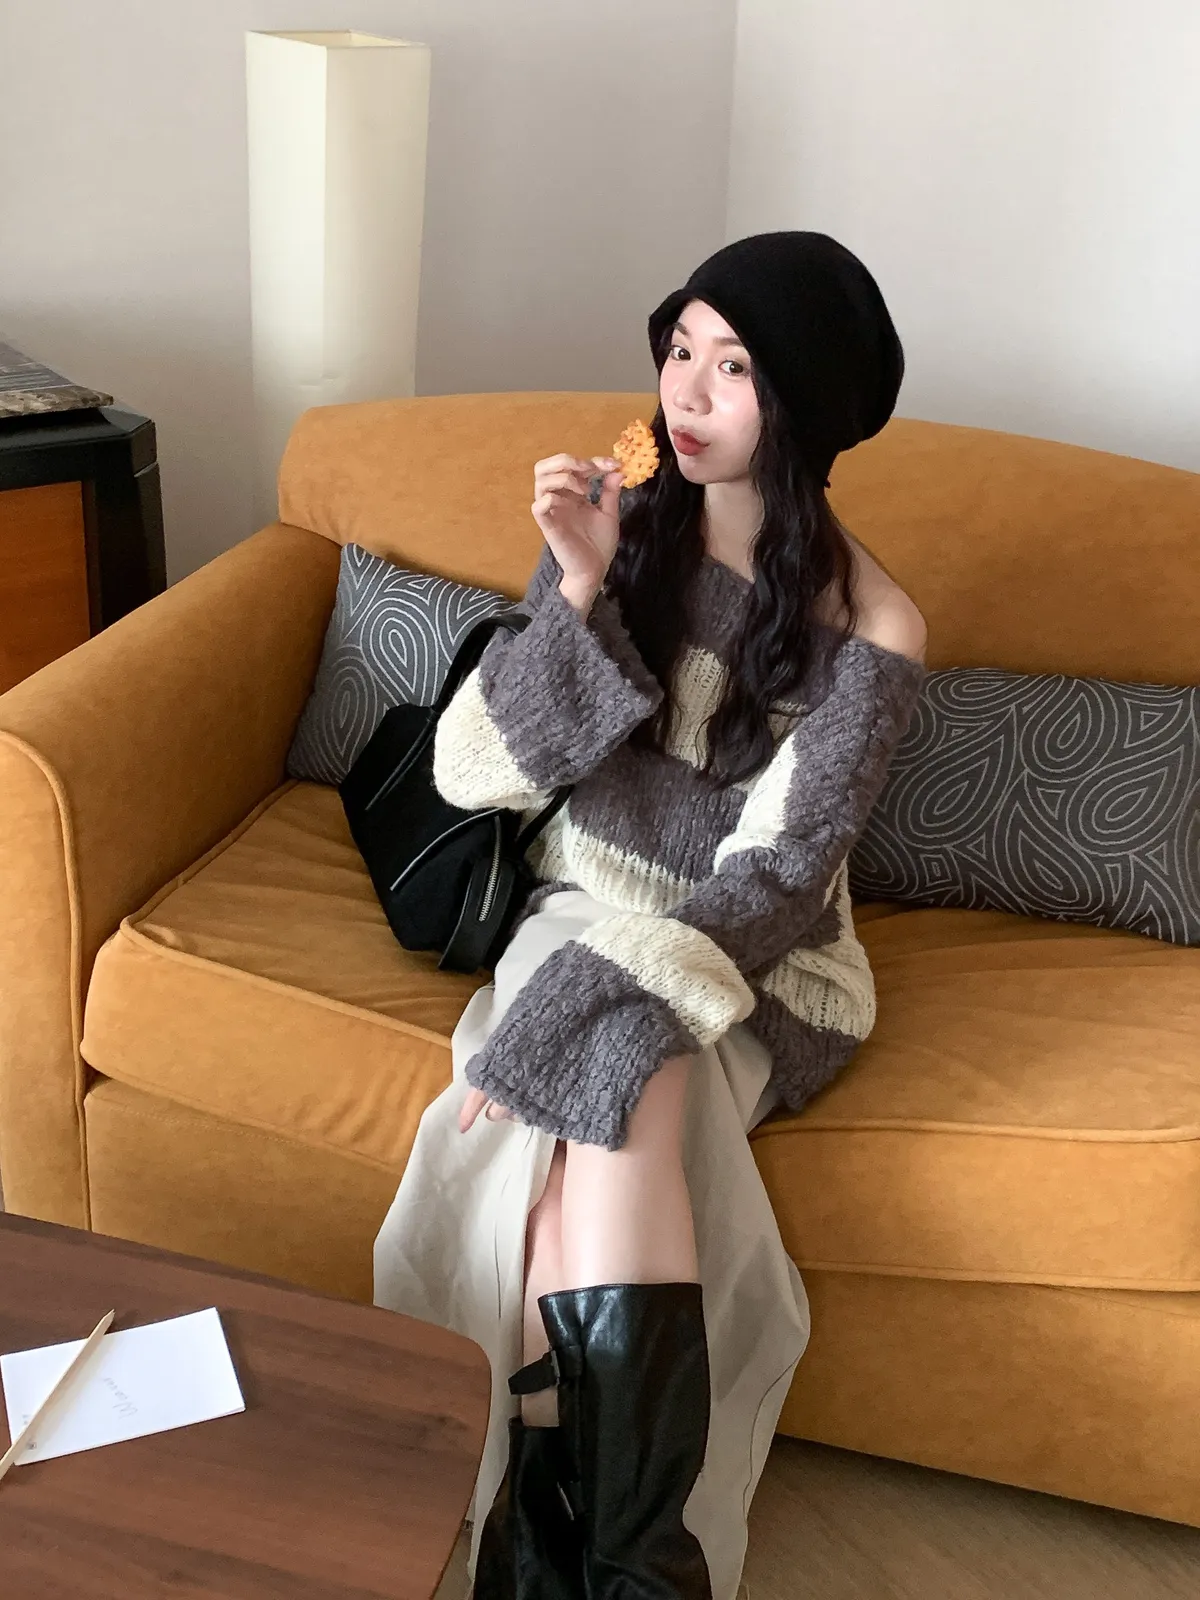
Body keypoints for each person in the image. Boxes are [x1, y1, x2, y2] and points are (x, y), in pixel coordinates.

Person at [373, 230, 929, 1600]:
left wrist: (593, 996)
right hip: (583, 903)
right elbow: (475, 774)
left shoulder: (874, 627)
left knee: (624, 1065)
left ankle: (553, 1549)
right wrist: (573, 585)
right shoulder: (620, 522)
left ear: (801, 402)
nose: (685, 392)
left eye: (732, 367)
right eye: (679, 349)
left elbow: (781, 878)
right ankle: (623, 1568)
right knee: (598, 1126)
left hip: (754, 956)